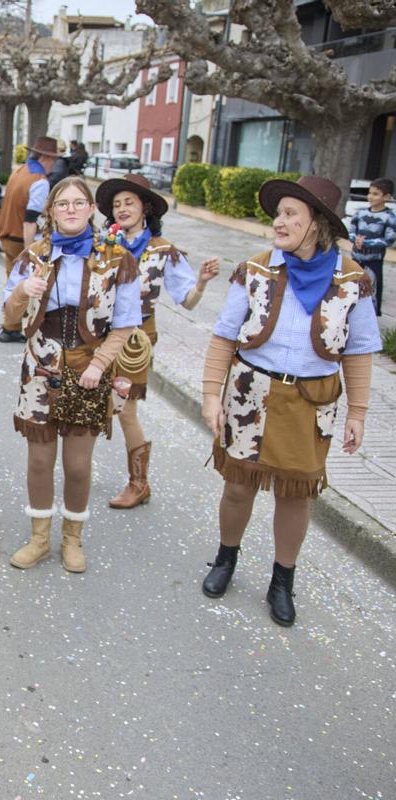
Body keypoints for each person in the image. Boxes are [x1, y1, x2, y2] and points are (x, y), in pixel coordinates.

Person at [200, 176, 380, 627]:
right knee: (238, 485)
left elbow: (358, 351)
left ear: (316, 224)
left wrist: (357, 412)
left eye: (289, 215)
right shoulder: (256, 270)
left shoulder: (353, 281)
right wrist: (209, 395)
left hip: (310, 401)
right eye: (278, 214)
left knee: (295, 495)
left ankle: (283, 580)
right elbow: (224, 337)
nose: (278, 222)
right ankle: (226, 558)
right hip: (249, 393)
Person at [1, 176, 142, 573]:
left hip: (88, 369)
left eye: (79, 203)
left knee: (78, 465)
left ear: (92, 209)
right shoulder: (34, 256)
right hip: (40, 368)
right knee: (40, 460)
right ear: (51, 211)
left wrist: (99, 365)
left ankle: (72, 539)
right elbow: (9, 319)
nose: (71, 210)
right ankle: (40, 539)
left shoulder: (117, 258)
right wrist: (20, 293)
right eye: (62, 204)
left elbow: (125, 324)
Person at [94, 173, 220, 509]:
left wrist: (203, 283)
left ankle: (138, 482)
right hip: (97, 334)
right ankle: (82, 467)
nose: (122, 209)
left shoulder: (164, 251)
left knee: (125, 409)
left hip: (135, 341)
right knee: (93, 401)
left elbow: (187, 300)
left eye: (129, 203)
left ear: (145, 208)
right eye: (117, 204)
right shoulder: (104, 243)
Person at [0, 136, 59, 343]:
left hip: (6, 231)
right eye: (53, 159)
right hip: (20, 236)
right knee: (23, 281)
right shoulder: (40, 181)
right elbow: (31, 218)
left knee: (12, 279)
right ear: (45, 157)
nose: (54, 164)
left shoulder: (20, 171)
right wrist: (30, 249)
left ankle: (11, 324)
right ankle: (12, 326)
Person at [347, 177, 395, 316]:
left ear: (386, 196)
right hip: (355, 259)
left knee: (370, 292)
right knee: (350, 287)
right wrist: (355, 240)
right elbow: (351, 231)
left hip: (374, 262)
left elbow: (389, 240)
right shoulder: (360, 213)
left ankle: (370, 317)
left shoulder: (389, 217)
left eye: (375, 194)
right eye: (369, 193)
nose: (370, 196)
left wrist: (366, 243)